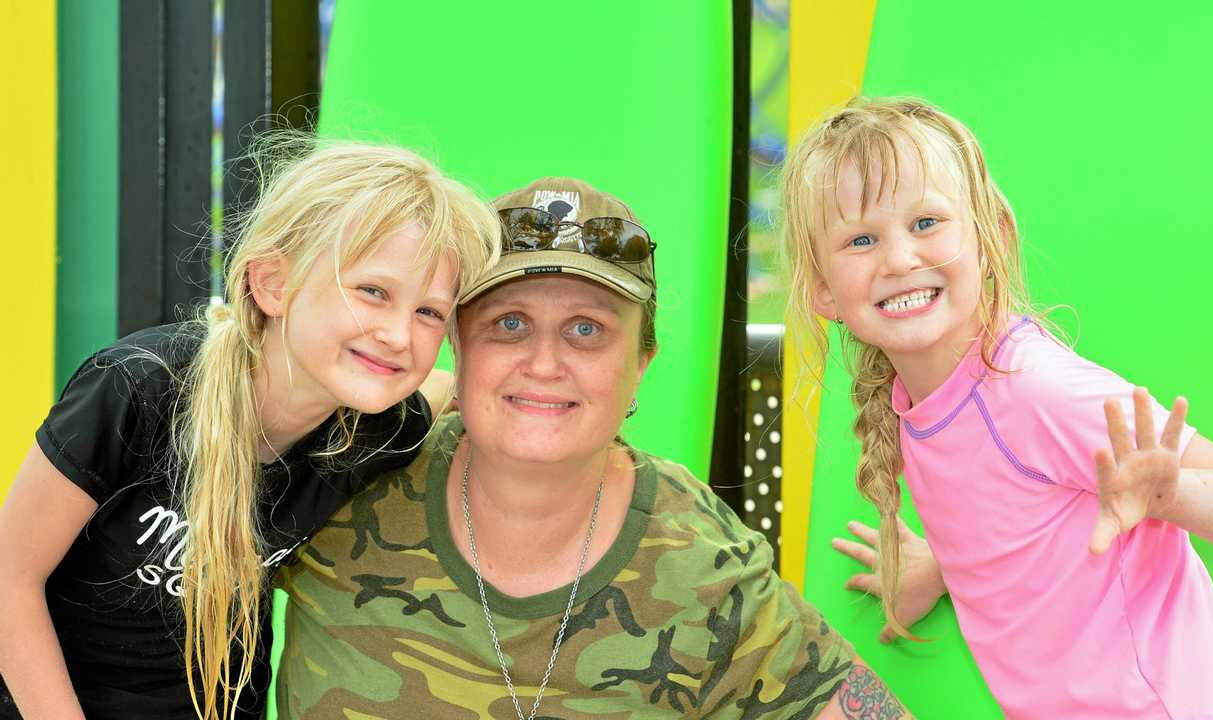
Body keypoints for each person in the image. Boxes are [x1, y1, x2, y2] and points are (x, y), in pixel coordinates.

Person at [275, 177, 909, 719]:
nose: (544, 363)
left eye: (587, 330)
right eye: (509, 324)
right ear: (458, 348)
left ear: (640, 365)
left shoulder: (700, 562)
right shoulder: (342, 470)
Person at [781, 96, 1213, 718]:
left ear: (990, 236)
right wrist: (941, 568)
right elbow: (1010, 514)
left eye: (927, 223)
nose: (899, 258)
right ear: (824, 289)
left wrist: (1173, 495)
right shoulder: (915, 399)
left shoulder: (1038, 390)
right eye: (861, 239)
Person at [0, 138, 500, 719]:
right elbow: (10, 578)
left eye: (429, 312)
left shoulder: (379, 426)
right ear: (272, 284)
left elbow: (438, 390)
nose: (398, 334)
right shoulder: (140, 389)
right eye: (373, 292)